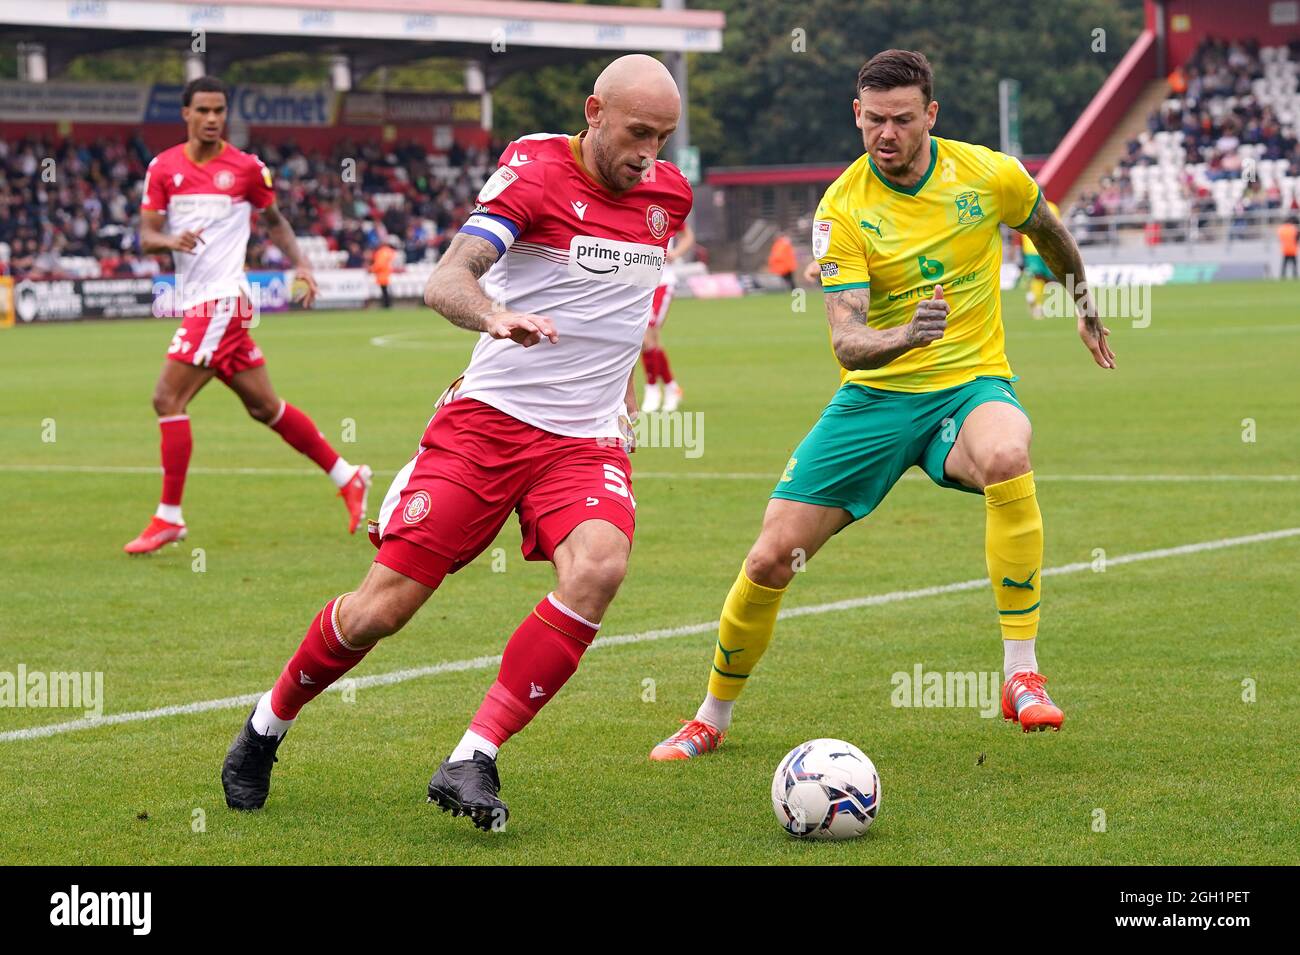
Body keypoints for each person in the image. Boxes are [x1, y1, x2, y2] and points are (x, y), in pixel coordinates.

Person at [221, 54, 692, 830]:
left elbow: (616, 312)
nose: (648, 154)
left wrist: (621, 400)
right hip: (487, 425)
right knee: (382, 609)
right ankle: (266, 726)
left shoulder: (667, 197)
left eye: (663, 138)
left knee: (600, 566)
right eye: (637, 133)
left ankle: (471, 756)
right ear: (594, 111)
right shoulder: (535, 172)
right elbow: (447, 280)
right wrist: (493, 316)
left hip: (582, 443)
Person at [650, 49, 1114, 762]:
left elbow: (1047, 229)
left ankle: (1020, 672)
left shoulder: (989, 175)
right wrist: (906, 335)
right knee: (773, 557)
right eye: (873, 120)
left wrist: (1082, 301)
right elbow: (847, 341)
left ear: (931, 114)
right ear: (855, 114)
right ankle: (710, 715)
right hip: (875, 399)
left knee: (1007, 451)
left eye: (902, 119)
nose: (886, 133)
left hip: (969, 385)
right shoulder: (843, 208)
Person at [125, 76, 370, 555]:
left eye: (220, 110)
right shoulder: (163, 168)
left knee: (166, 399)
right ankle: (348, 475)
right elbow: (147, 235)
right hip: (200, 301)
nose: (214, 118)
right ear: (186, 114)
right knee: (265, 408)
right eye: (204, 110)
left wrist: (301, 263)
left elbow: (275, 220)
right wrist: (170, 240)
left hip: (222, 302)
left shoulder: (246, 169)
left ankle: (168, 518)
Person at [641, 220, 693, 412]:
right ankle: (671, 387)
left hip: (663, 282)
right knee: (649, 340)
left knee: (647, 337)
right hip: (641, 283)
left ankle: (652, 388)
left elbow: (688, 236)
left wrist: (675, 254)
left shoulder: (665, 208)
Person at [1022, 199, 1061, 318]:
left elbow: (1057, 228)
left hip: (1046, 247)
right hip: (1032, 249)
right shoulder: (1025, 207)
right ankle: (1038, 306)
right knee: (1038, 275)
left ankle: (1036, 300)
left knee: (1048, 277)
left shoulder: (1052, 207)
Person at [371, 236, 398, 308]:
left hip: (383, 275)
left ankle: (386, 305)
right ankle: (388, 304)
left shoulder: (381, 252)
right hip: (390, 274)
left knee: (384, 291)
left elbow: (379, 264)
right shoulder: (391, 252)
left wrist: (372, 269)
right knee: (387, 291)